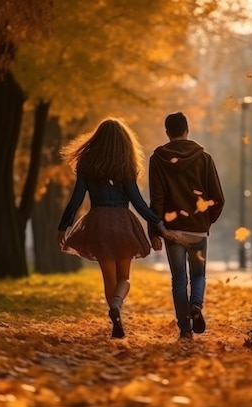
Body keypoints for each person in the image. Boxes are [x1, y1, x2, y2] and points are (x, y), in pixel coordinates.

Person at [57, 117, 174, 339]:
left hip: (98, 223)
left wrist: (64, 226)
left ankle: (114, 317)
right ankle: (117, 306)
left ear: (97, 139)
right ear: (123, 142)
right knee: (124, 278)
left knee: (108, 279)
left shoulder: (87, 165)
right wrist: (158, 223)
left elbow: (76, 199)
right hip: (122, 224)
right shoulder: (125, 167)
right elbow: (139, 203)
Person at [148, 112, 225, 340]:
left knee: (179, 280)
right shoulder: (204, 158)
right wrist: (206, 221)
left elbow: (157, 199)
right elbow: (218, 198)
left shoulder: (157, 160)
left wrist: (155, 231)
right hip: (198, 230)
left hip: (173, 230)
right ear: (187, 129)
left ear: (167, 133)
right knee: (198, 275)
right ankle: (196, 306)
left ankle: (185, 330)